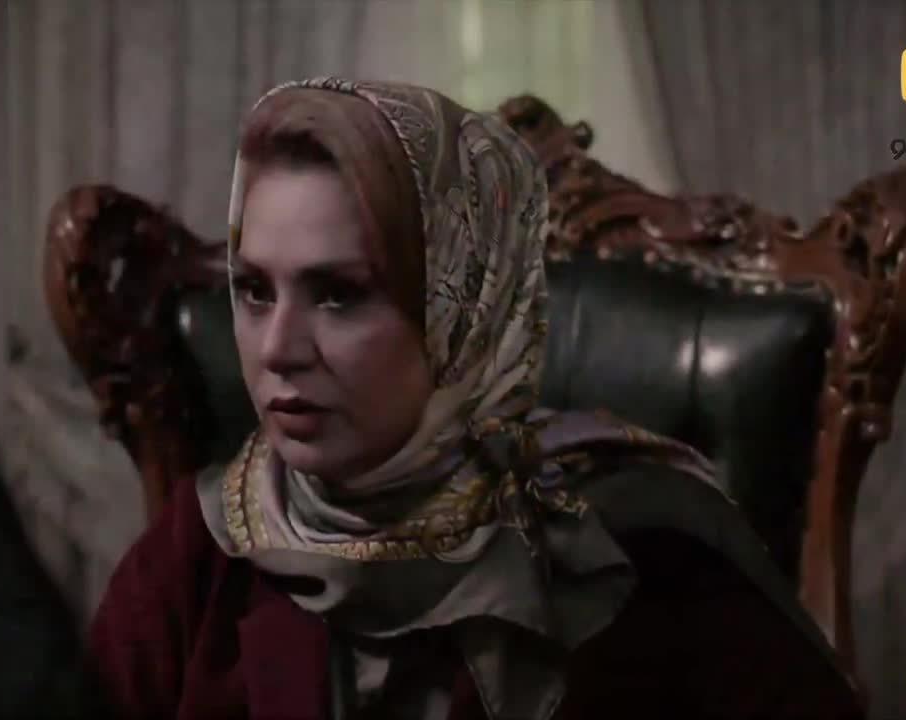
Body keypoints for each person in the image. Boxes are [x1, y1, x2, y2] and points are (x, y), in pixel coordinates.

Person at [87, 77, 862, 719]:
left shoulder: (638, 554)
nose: (277, 348)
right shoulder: (197, 557)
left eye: (338, 294)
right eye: (256, 290)